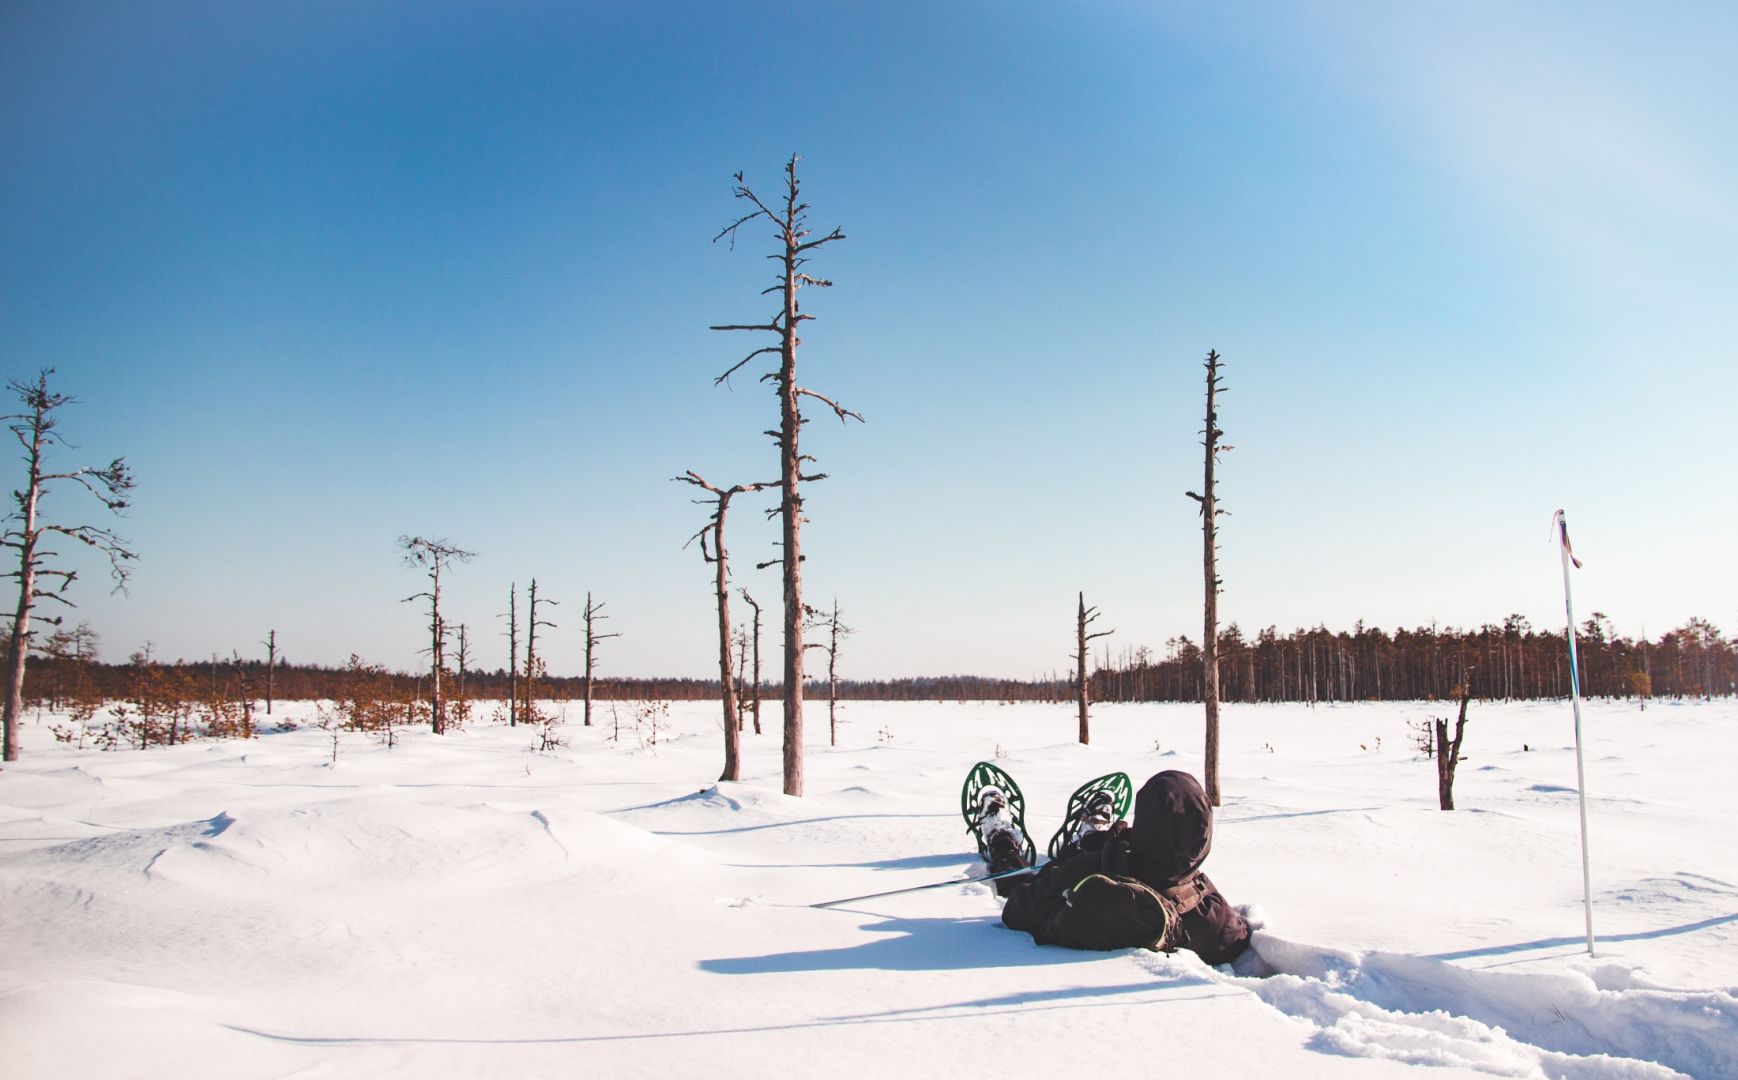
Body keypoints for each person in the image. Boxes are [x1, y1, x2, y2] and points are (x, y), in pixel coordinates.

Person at [970, 769, 1250, 965]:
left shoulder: (1094, 869)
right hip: (1132, 867)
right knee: (1097, 846)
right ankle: (1093, 831)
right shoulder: (1210, 914)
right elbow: (1235, 938)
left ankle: (999, 834)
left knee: (1021, 882)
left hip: (1080, 876)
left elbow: (1017, 909)